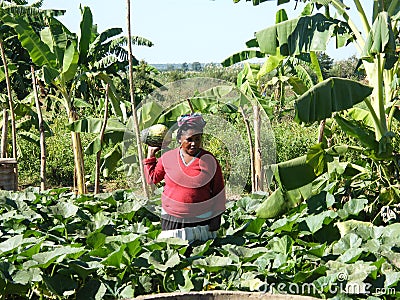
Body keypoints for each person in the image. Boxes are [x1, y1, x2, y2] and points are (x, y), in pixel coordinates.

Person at [143, 113, 226, 242]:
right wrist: (151, 154)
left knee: (198, 256)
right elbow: (152, 179)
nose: (194, 143)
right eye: (189, 139)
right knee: (174, 254)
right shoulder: (168, 157)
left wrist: (216, 218)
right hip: (172, 218)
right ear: (180, 139)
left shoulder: (209, 161)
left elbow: (219, 192)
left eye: (198, 139)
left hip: (201, 219)